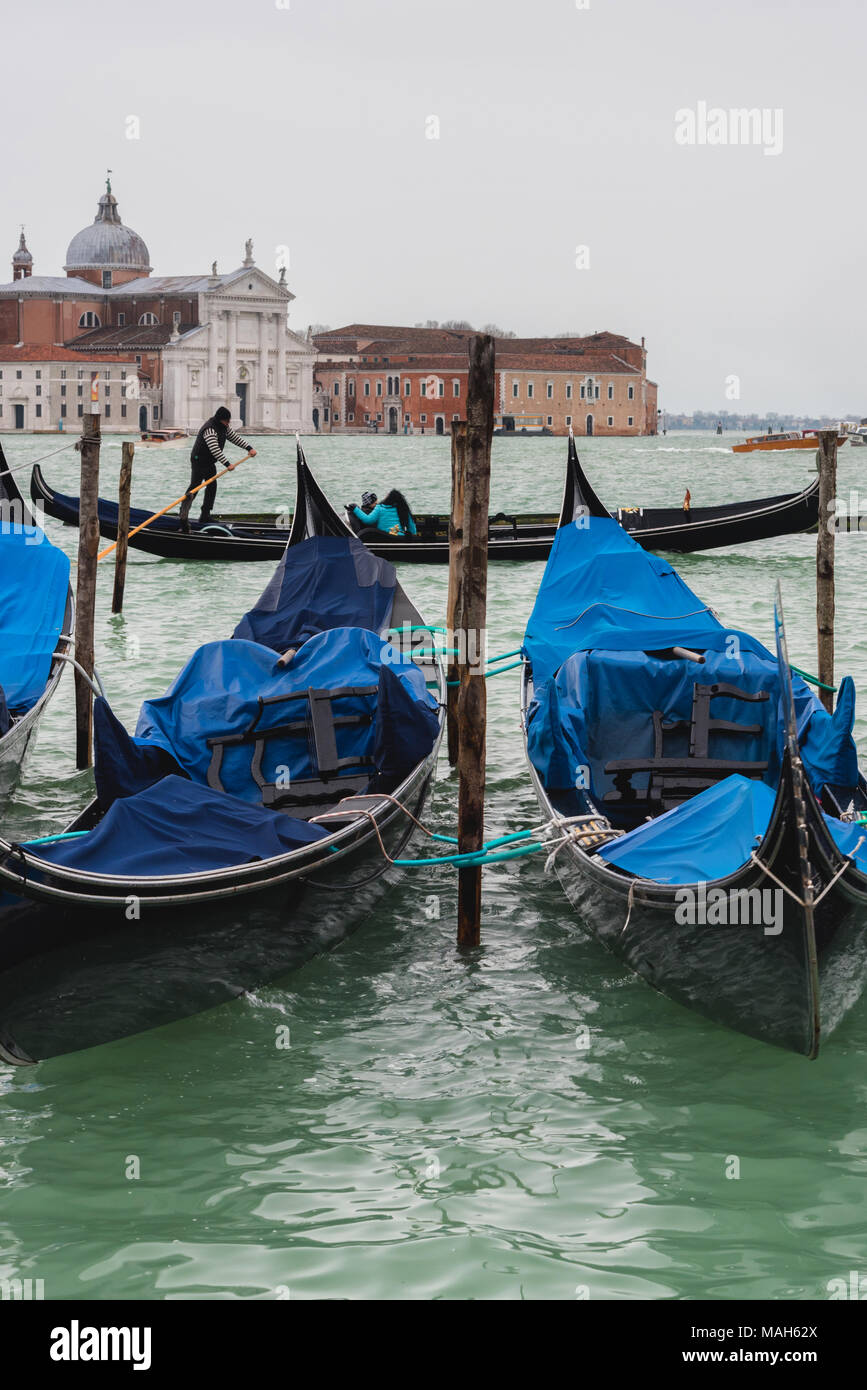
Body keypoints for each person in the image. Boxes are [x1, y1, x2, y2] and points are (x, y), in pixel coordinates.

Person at [179, 406, 256, 532]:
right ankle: (183, 514)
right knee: (195, 487)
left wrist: (249, 448)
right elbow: (214, 449)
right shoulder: (210, 429)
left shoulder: (224, 427)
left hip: (209, 462)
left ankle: (205, 515)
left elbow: (235, 438)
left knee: (212, 486)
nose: (228, 423)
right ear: (221, 419)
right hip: (198, 460)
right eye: (227, 420)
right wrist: (227, 464)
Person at [348, 488, 418, 538]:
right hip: (399, 538)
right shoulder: (403, 509)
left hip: (384, 537)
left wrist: (355, 509)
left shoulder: (380, 507)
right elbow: (412, 529)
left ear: (388, 499)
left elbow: (368, 520)